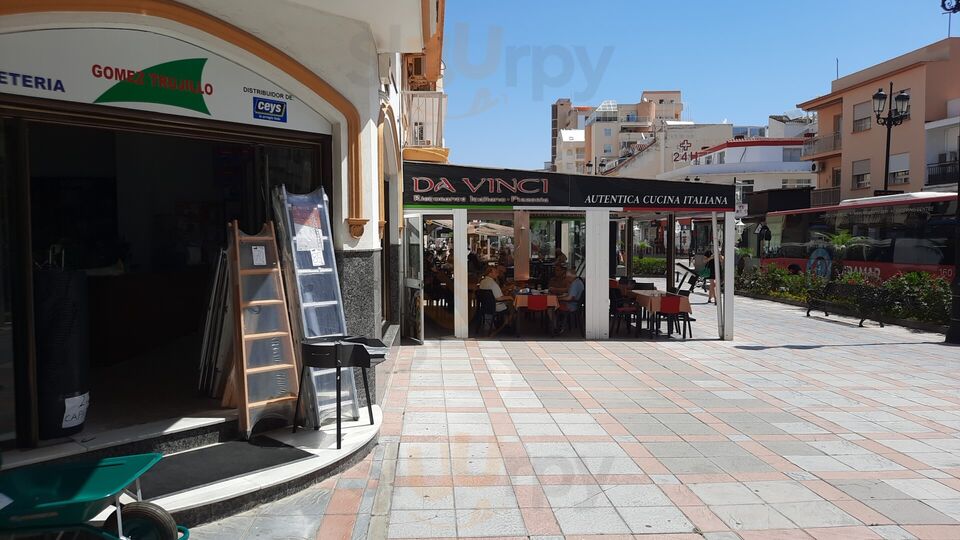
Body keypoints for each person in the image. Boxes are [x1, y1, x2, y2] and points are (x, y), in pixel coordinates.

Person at [478, 265, 515, 333]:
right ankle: (506, 324)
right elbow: (499, 298)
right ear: (490, 273)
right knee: (512, 306)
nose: (497, 274)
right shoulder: (493, 283)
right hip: (494, 307)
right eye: (495, 272)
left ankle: (504, 322)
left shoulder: (482, 282)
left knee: (508, 304)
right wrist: (510, 297)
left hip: (485, 306)